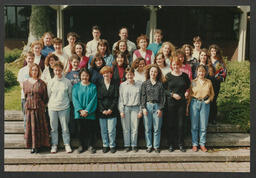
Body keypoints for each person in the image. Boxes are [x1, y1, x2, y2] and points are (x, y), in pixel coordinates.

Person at [164, 57, 191, 152]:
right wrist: (172, 94)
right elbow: (164, 90)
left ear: (180, 65)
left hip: (182, 103)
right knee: (171, 123)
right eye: (174, 64)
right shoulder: (168, 76)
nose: (176, 66)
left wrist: (187, 92)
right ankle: (171, 144)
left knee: (181, 124)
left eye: (177, 64)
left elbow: (189, 86)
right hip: (171, 103)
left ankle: (181, 144)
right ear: (171, 65)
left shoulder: (184, 75)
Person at [23, 63, 50, 153]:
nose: (34, 72)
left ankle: (40, 145)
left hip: (39, 108)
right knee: (31, 127)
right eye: (33, 70)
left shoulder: (42, 83)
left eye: (36, 70)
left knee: (39, 126)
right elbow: (25, 95)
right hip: (29, 107)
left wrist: (41, 104)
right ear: (30, 71)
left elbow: (45, 97)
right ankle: (32, 146)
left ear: (38, 71)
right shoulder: (26, 83)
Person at [47, 61, 72, 154]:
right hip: (52, 108)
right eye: (56, 70)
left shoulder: (67, 82)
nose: (57, 72)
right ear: (53, 70)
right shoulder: (51, 82)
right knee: (54, 128)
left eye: (59, 70)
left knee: (65, 128)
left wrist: (65, 104)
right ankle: (54, 145)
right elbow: (48, 95)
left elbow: (70, 95)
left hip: (64, 107)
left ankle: (67, 144)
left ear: (62, 70)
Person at [189, 65, 215, 152]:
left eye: (203, 71)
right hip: (194, 103)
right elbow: (189, 94)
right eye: (199, 71)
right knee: (194, 125)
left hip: (205, 104)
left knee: (203, 126)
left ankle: (202, 144)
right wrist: (187, 106)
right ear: (197, 72)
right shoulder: (193, 82)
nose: (201, 73)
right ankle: (195, 144)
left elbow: (212, 93)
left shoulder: (209, 82)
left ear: (205, 72)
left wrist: (209, 100)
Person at [72, 68, 98, 154]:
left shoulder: (93, 87)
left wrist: (87, 110)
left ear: (89, 76)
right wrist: (80, 110)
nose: (85, 77)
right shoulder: (76, 87)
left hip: (89, 113)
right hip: (79, 113)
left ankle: (90, 146)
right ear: (80, 76)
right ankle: (81, 146)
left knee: (90, 130)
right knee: (80, 130)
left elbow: (94, 100)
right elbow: (74, 99)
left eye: (86, 75)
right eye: (83, 75)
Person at [141, 64, 165, 153]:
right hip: (148, 106)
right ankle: (149, 146)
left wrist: (161, 108)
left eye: (155, 72)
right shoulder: (145, 84)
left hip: (157, 106)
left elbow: (163, 98)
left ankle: (156, 146)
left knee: (157, 128)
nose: (153, 73)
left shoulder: (160, 84)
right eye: (152, 71)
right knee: (147, 128)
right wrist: (143, 108)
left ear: (157, 73)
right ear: (149, 72)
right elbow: (143, 96)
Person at [119, 67, 143, 152]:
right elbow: (120, 99)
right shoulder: (122, 85)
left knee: (135, 128)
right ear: (126, 75)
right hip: (126, 107)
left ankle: (134, 145)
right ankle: (127, 145)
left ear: (134, 74)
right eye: (128, 74)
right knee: (126, 128)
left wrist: (140, 110)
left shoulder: (139, 85)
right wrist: (121, 110)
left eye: (131, 74)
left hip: (136, 107)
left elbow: (141, 99)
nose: (130, 76)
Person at [97, 66, 119, 154]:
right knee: (104, 130)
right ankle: (105, 145)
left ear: (111, 74)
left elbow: (116, 98)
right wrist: (102, 110)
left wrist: (111, 109)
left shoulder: (114, 84)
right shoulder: (99, 84)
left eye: (108, 73)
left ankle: (112, 145)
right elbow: (98, 99)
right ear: (102, 74)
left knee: (111, 130)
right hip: (102, 111)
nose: (106, 74)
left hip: (112, 111)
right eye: (104, 73)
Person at [208, 44, 227, 124]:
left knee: (213, 100)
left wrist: (216, 77)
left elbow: (223, 74)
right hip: (206, 83)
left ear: (217, 52)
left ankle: (212, 118)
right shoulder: (207, 60)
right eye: (212, 51)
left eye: (215, 51)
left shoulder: (220, 62)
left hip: (215, 84)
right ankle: (206, 118)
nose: (213, 52)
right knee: (206, 100)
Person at [17, 51, 35, 131]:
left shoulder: (36, 69)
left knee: (34, 116)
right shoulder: (22, 70)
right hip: (25, 97)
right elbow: (21, 83)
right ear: (26, 59)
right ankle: (27, 133)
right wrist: (28, 91)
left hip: (35, 97)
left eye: (32, 58)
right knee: (26, 116)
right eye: (29, 58)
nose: (30, 60)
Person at [66, 54, 81, 138]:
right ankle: (73, 136)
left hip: (80, 99)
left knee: (79, 119)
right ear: (71, 62)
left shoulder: (82, 72)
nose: (75, 64)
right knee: (72, 119)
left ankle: (80, 136)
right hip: (71, 99)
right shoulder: (68, 75)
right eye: (74, 62)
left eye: (77, 62)